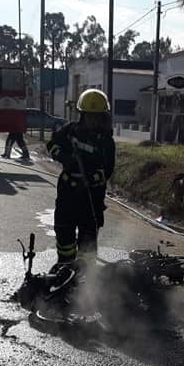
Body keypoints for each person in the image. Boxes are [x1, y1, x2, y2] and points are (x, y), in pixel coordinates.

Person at [45, 89, 116, 270]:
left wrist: (92, 179)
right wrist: (64, 157)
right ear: (82, 115)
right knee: (64, 233)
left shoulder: (106, 141)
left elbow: (107, 170)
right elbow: (52, 145)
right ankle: (64, 267)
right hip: (68, 192)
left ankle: (86, 278)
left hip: (91, 197)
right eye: (89, 116)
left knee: (88, 242)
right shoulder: (70, 131)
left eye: (96, 117)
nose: (93, 121)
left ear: (102, 117)